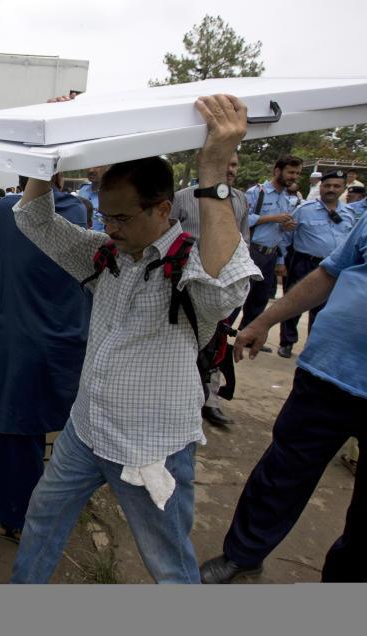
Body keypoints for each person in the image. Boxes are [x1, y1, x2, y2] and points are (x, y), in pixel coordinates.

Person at [8, 94, 259, 584]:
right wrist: (51, 140)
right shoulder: (107, 254)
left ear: (164, 208)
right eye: (105, 216)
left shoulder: (190, 265)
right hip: (87, 428)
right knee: (41, 520)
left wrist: (212, 170)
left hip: (151, 446)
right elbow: (32, 219)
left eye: (121, 218)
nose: (109, 227)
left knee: (168, 562)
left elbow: (227, 288)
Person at [200, 211, 367, 583]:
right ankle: (243, 555)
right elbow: (330, 273)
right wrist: (263, 321)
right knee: (282, 473)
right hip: (328, 374)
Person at [0, 174, 91, 543]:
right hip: (67, 340)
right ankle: (51, 505)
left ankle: (17, 521)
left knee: (16, 433)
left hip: (21, 341)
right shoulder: (82, 211)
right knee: (46, 427)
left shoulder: (10, 208)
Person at [170, 150, 250, 428]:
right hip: (185, 286)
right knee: (185, 343)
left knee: (216, 346)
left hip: (222, 288)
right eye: (225, 163)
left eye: (234, 164)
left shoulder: (240, 199)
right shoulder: (182, 198)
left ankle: (210, 401)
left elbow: (243, 240)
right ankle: (179, 400)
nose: (230, 170)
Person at [275, 170, 357, 359]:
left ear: (343, 188)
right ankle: (287, 342)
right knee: (294, 303)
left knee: (324, 309)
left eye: (336, 186)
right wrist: (282, 261)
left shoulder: (349, 214)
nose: (331, 189)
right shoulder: (305, 209)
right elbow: (286, 236)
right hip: (304, 262)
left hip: (334, 267)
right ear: (320, 187)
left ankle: (313, 345)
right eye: (327, 185)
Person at [239, 156, 302, 331]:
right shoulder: (257, 193)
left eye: (297, 173)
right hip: (253, 252)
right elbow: (242, 219)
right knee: (239, 296)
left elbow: (280, 232)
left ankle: (248, 335)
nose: (294, 177)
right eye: (290, 172)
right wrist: (271, 218)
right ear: (277, 171)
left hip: (271, 255)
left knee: (260, 299)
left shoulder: (286, 198)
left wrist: (281, 259)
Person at [77, 165, 110, 232]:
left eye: (97, 166)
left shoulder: (112, 196)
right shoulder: (83, 190)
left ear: (109, 166)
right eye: (89, 165)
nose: (90, 170)